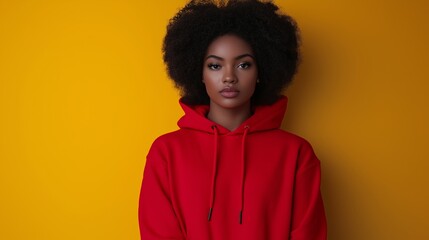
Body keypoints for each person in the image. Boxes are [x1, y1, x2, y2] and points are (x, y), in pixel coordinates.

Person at [138, 0, 327, 239]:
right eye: (215, 65)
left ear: (261, 72)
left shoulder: (296, 154)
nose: (229, 77)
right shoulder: (166, 153)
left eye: (243, 64)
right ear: (200, 73)